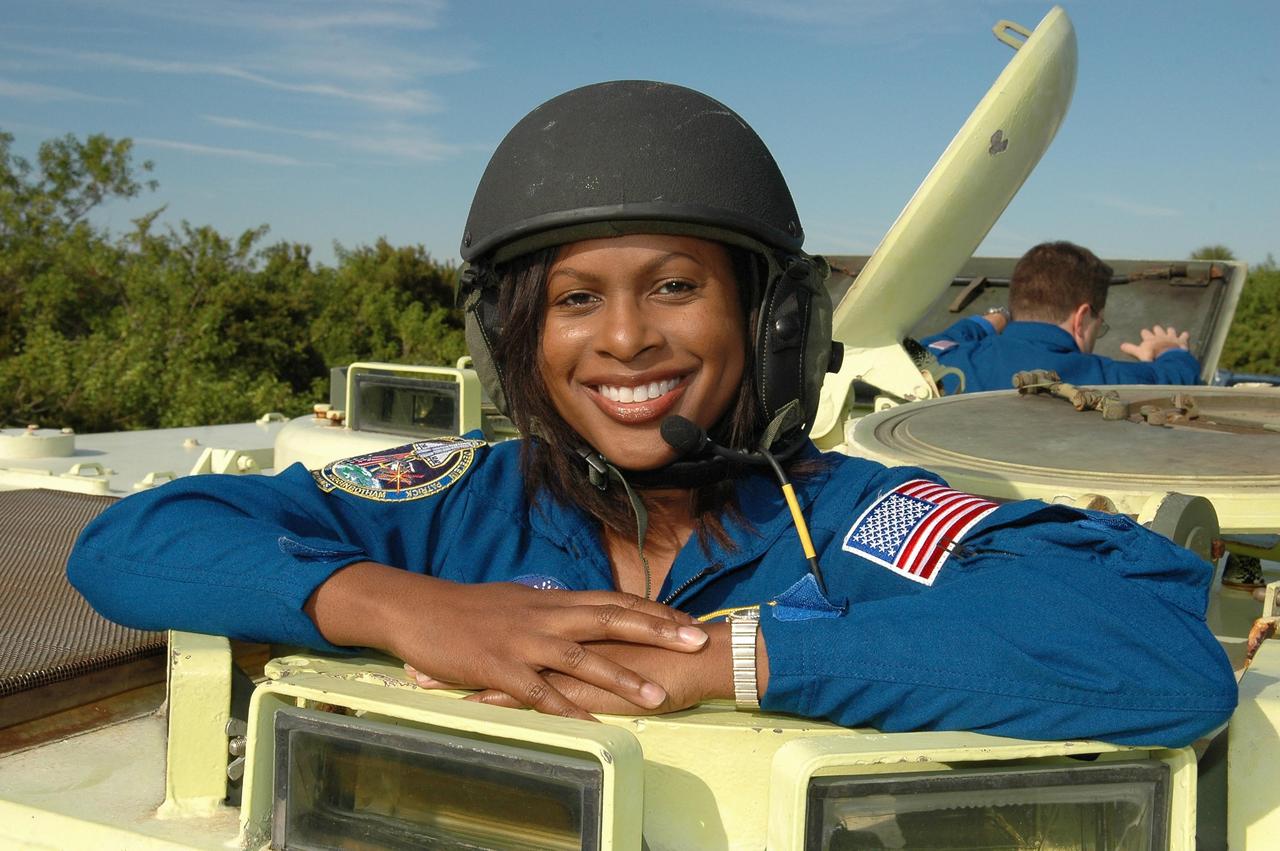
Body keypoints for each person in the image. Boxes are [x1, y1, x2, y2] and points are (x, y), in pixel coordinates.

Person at [67, 81, 1235, 747]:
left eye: (674, 286)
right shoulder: (459, 503)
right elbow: (132, 537)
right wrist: (410, 607)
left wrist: (732, 658)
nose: (624, 338)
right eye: (575, 299)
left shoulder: (849, 518)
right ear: (511, 337)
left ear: (769, 320)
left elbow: (1155, 653)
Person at [921, 241, 1201, 393]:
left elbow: (928, 346)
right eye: (1099, 326)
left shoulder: (949, 361)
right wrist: (1170, 350)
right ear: (1082, 317)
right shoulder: (1106, 378)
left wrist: (992, 319)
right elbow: (1177, 379)